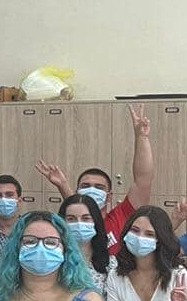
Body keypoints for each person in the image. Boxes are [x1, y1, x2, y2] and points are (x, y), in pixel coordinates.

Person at [34, 104, 155, 255]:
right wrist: (62, 185)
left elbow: (143, 179)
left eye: (99, 187)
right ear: (78, 192)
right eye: (85, 186)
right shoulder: (72, 223)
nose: (92, 190)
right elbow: (77, 205)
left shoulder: (121, 216)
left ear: (109, 196)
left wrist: (141, 138)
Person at [60, 193, 113, 296]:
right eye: (71, 219)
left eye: (85, 218)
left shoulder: (110, 264)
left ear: (95, 221)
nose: (79, 224)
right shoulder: (55, 261)